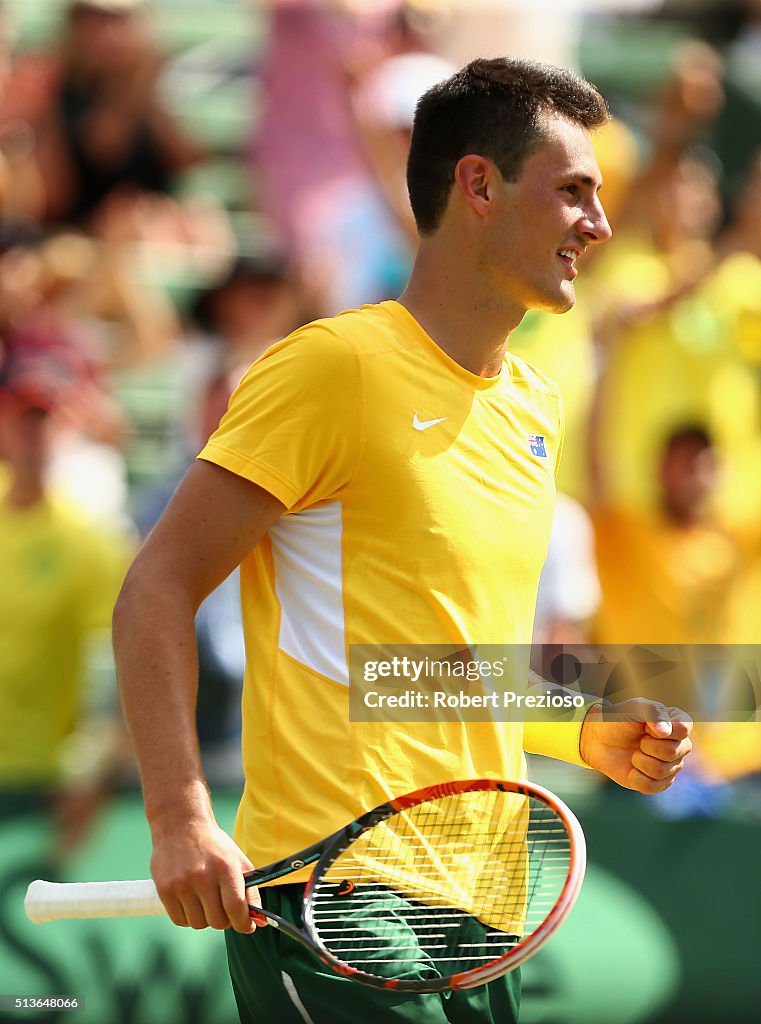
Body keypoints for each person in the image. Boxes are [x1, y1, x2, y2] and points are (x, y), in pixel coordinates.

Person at [113, 58, 693, 1024]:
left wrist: (581, 724)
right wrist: (179, 819)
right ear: (476, 185)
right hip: (335, 908)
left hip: (486, 920)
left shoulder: (532, 405)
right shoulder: (330, 368)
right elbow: (157, 589)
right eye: (571, 192)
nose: (596, 223)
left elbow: (431, 665)